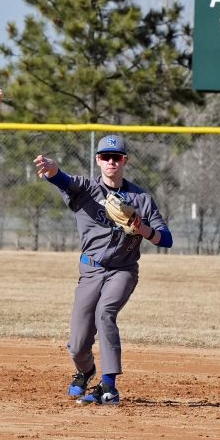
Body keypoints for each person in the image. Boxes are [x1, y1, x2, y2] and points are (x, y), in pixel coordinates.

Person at [34, 134, 172, 406]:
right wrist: (53, 172)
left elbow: (166, 239)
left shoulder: (141, 198)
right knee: (78, 342)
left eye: (116, 157)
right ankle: (86, 372)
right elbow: (64, 181)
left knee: (105, 312)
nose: (111, 162)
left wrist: (143, 229)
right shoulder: (87, 189)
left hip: (123, 271)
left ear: (125, 161)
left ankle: (109, 385)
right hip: (91, 271)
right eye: (106, 157)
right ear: (98, 160)